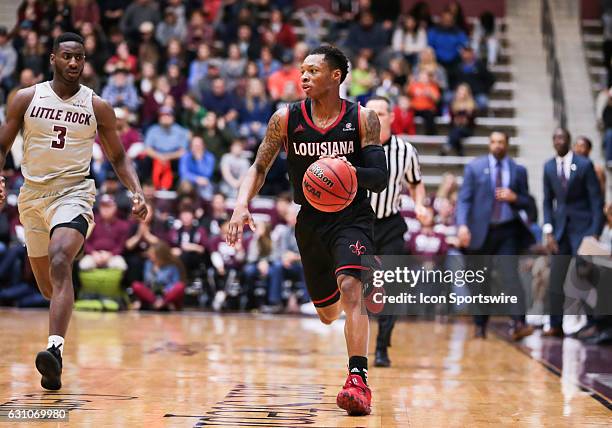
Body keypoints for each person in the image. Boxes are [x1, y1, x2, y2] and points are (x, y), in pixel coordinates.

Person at [227, 45, 388, 416]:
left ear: (336, 76)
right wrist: (241, 203)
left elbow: (379, 178)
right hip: (310, 222)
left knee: (352, 290)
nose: (303, 77)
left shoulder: (363, 119)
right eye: (301, 70)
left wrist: (346, 172)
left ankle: (358, 380)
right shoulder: (285, 119)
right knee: (328, 314)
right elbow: (259, 166)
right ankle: (354, 285)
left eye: (313, 70)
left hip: (353, 217)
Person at [0, 33, 147, 391]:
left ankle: (55, 351)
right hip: (32, 197)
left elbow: (118, 156)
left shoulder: (97, 107)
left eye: (79, 57)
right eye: (67, 56)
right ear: (53, 58)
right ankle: (59, 330)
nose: (73, 63)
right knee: (50, 288)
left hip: (75, 192)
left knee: (61, 257)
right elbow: (2, 145)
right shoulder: (26, 98)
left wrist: (136, 191)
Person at [365, 96, 426, 368]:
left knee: (390, 288)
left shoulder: (405, 151)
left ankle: (381, 347)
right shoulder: (355, 146)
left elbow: (416, 183)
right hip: (359, 224)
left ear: (391, 116)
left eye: (382, 112)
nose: (377, 117)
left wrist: (421, 205)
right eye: (372, 112)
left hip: (390, 224)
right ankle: (358, 347)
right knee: (360, 288)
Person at [456, 131, 535, 340]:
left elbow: (528, 201)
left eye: (501, 142)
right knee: (481, 281)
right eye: (493, 142)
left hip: (507, 230)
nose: (497, 145)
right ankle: (480, 325)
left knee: (511, 277)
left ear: (507, 144)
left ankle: (519, 322)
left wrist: (515, 197)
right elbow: (464, 200)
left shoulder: (518, 170)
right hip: (481, 232)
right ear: (489, 144)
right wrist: (462, 225)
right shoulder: (474, 167)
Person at [542, 128, 604, 337]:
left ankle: (594, 323)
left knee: (585, 275)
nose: (559, 141)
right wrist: (548, 230)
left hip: (583, 229)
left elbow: (596, 201)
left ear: (568, 141)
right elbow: (547, 202)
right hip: (560, 231)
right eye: (555, 137)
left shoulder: (585, 165)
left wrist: (594, 232)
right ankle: (555, 324)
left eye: (562, 137)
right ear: (552, 142)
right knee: (556, 276)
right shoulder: (548, 167)